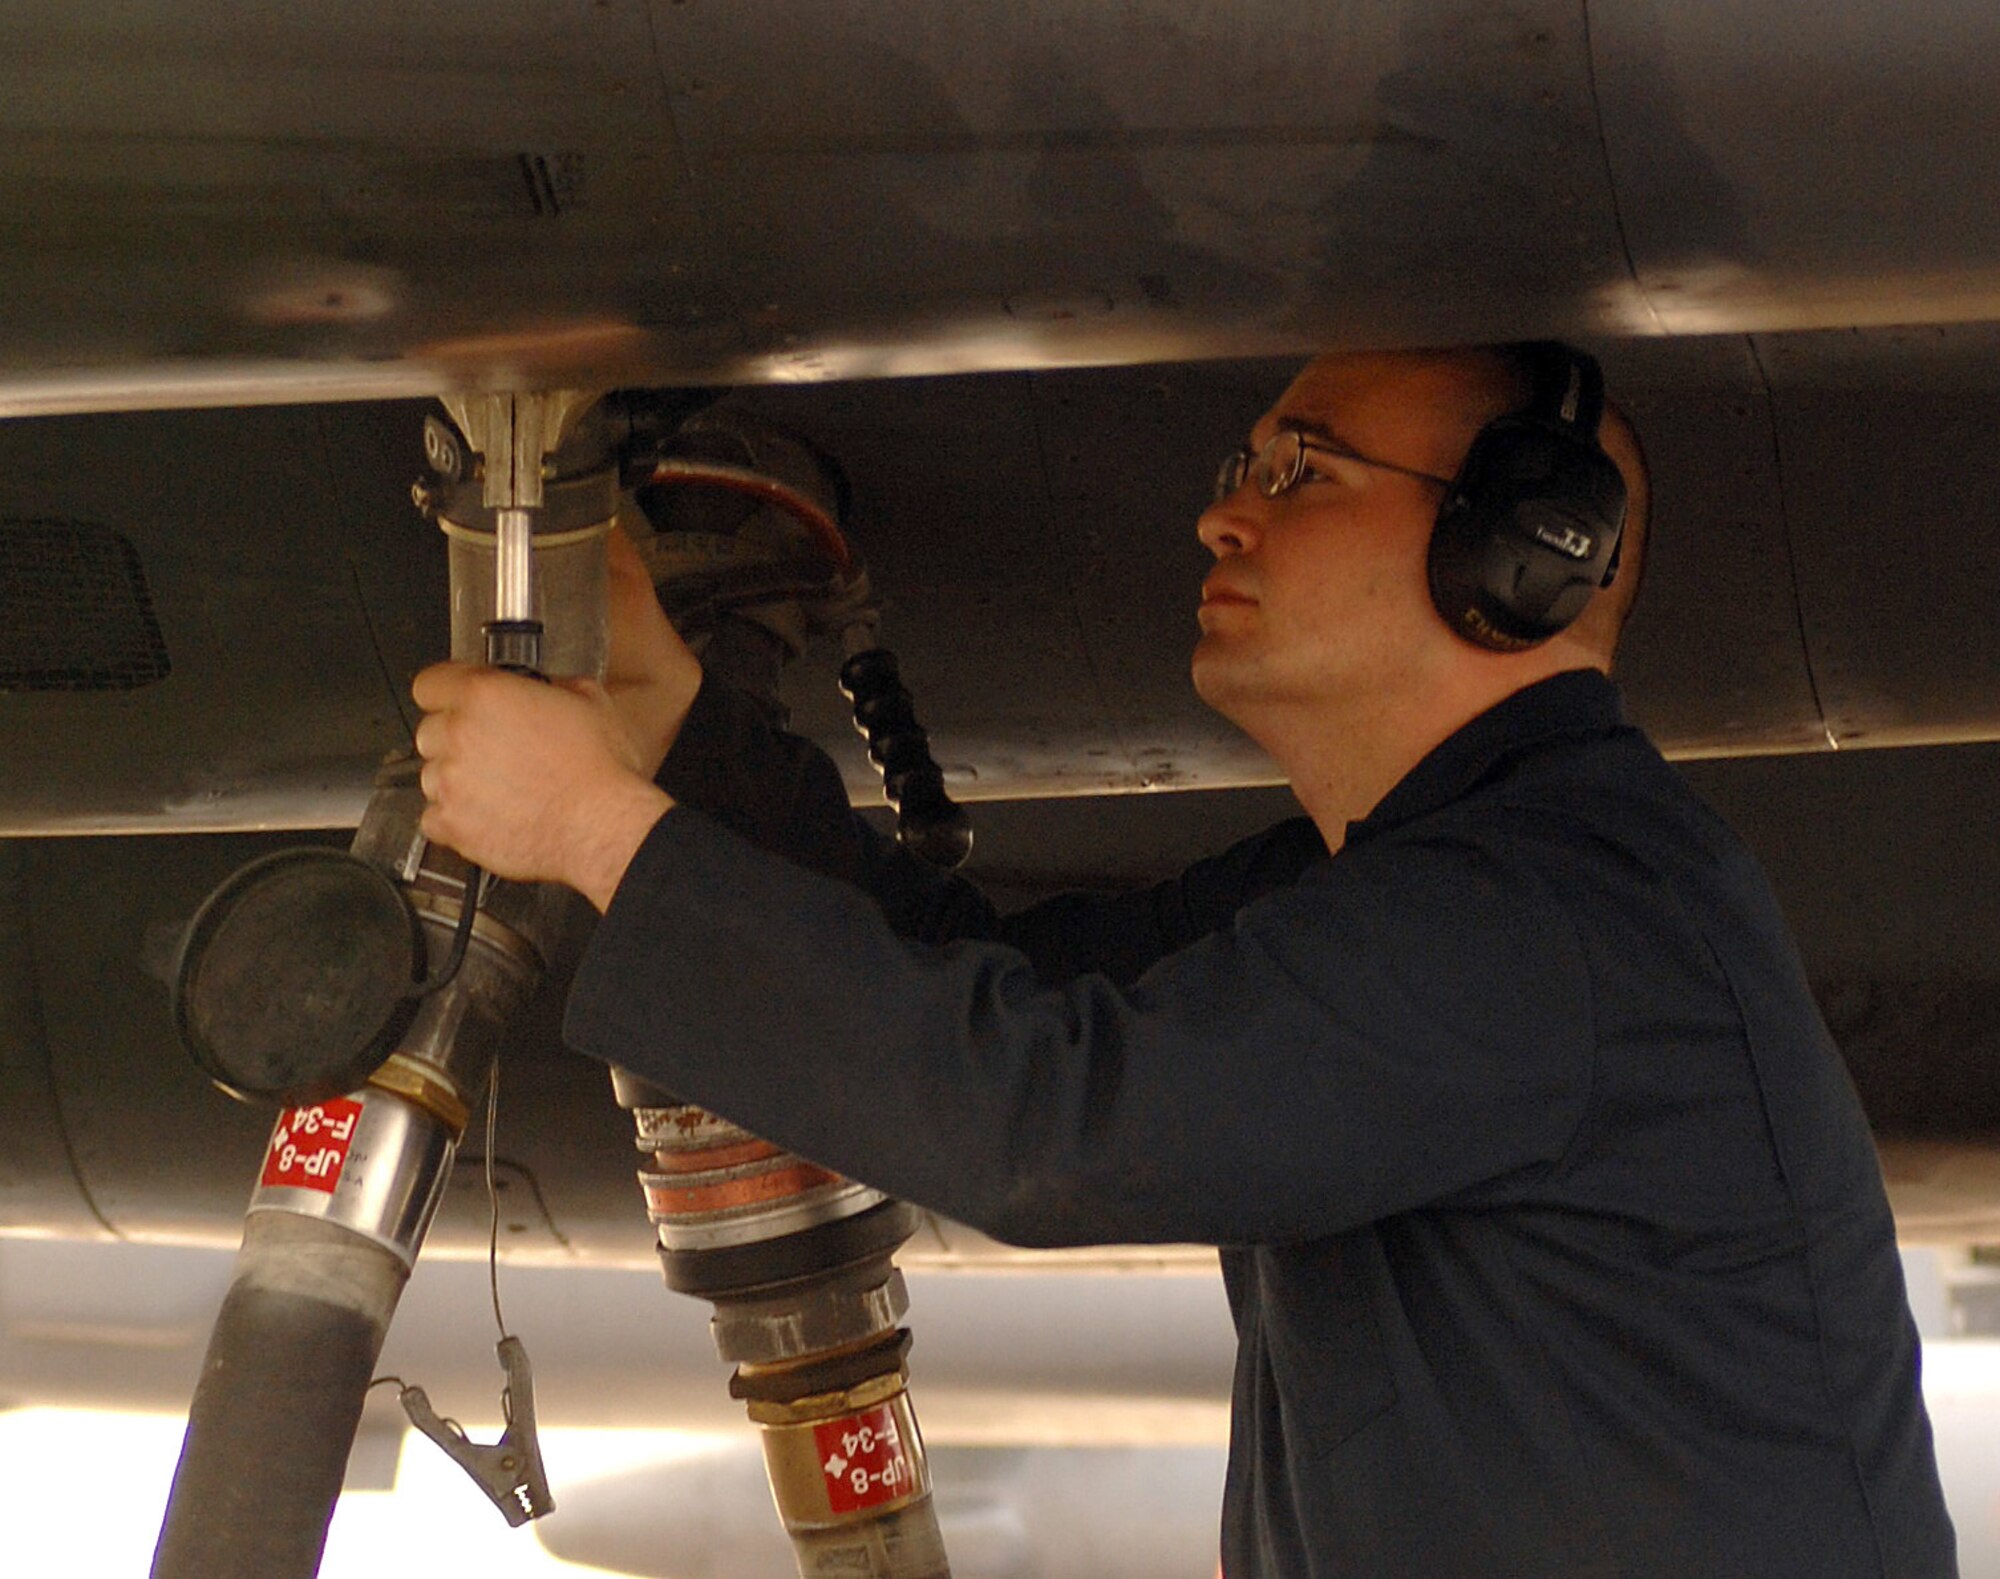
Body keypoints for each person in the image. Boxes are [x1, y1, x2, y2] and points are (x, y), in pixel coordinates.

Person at [410, 345, 1956, 1576]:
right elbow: (987, 983)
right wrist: (676, 732)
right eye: (1244, 469)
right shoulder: (1410, 886)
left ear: (1524, 555)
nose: (1228, 513)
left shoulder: (1541, 917)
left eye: (1304, 473)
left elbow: (1061, 1128)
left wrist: (601, 832)